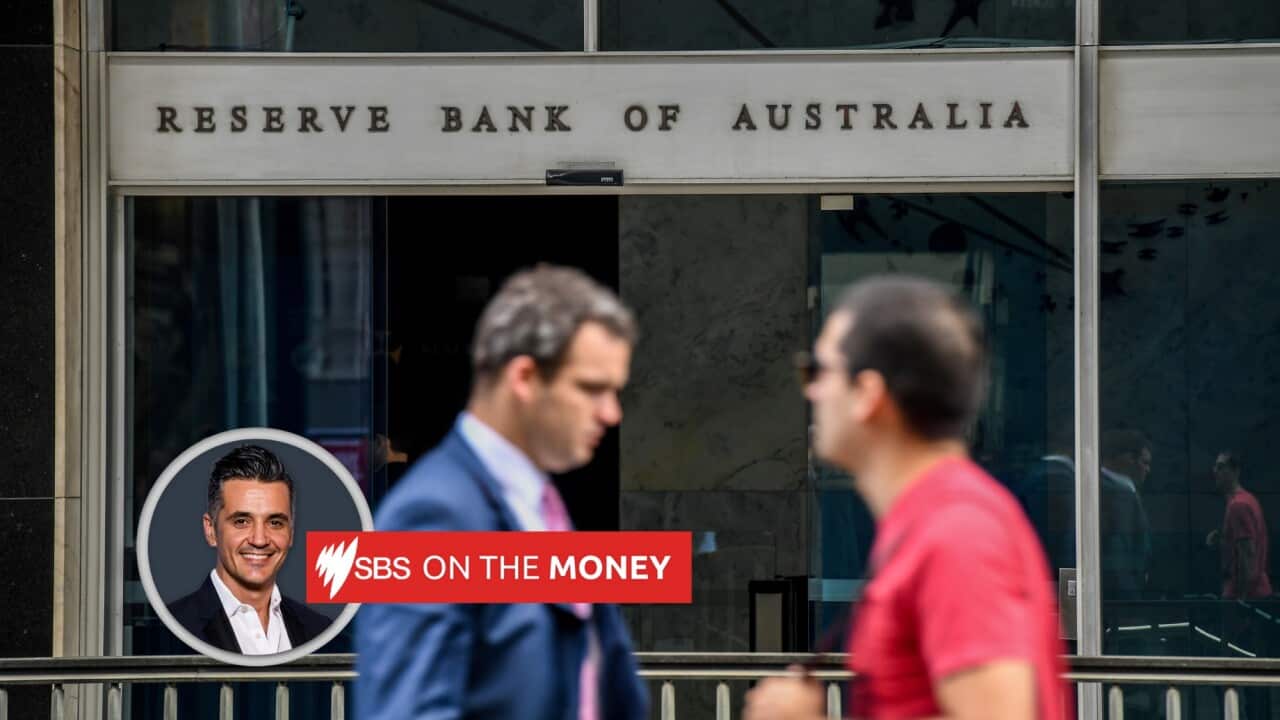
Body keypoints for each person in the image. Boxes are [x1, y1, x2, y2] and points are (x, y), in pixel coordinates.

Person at [744, 275, 1068, 720]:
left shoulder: (956, 534)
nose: (810, 391)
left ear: (868, 395)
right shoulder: (934, 523)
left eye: (817, 371)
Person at [356, 265, 648, 720]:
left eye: (615, 391)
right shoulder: (434, 514)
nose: (612, 413)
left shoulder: (539, 504)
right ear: (525, 379)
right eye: (592, 389)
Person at [168, 444, 330, 655]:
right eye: (242, 521)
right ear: (211, 530)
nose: (260, 539)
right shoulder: (171, 629)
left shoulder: (319, 630)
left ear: (291, 531)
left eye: (275, 523)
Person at [1207, 450, 1271, 600]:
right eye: (1215, 466)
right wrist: (1223, 538)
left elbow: (1247, 554)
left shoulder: (1238, 506)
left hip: (1246, 595)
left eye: (1221, 467)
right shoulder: (1248, 500)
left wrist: (1241, 599)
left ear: (1235, 471)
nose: (1215, 471)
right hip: (1255, 592)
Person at [1099, 429, 1152, 601]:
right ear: (1128, 459)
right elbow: (1118, 553)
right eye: (1145, 463)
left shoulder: (1123, 492)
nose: (1147, 470)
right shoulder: (1114, 493)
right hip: (1117, 600)